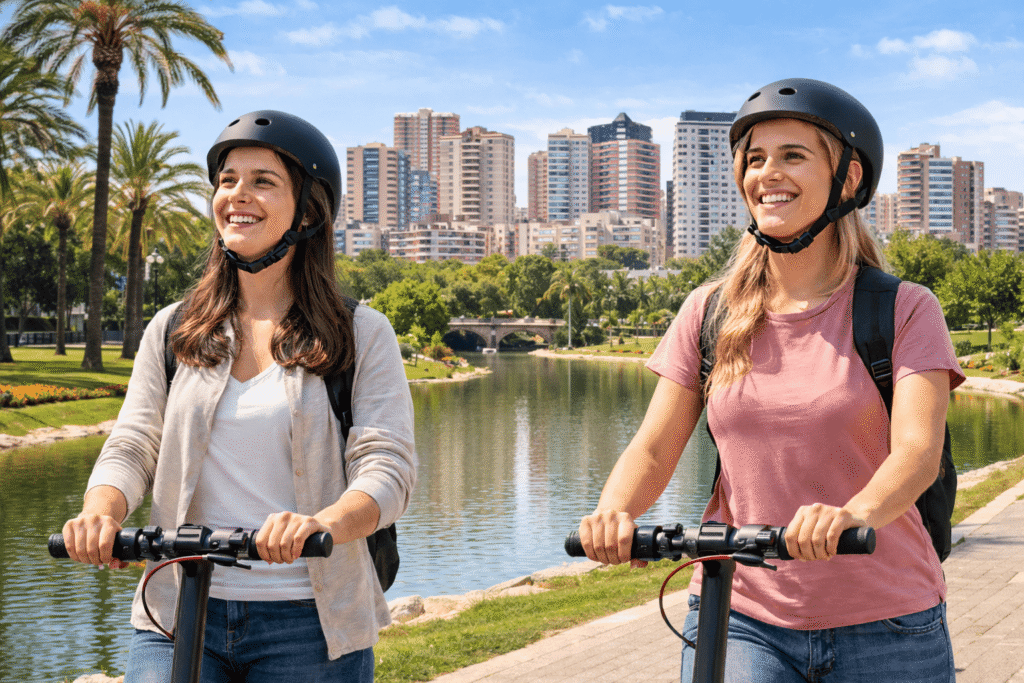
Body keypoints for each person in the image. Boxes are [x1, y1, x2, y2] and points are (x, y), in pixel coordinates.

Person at [578, 78, 963, 682]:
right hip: (742, 616)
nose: (767, 173)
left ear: (849, 180)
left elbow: (917, 453)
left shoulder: (904, 309)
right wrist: (612, 512)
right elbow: (653, 447)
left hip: (888, 622)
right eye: (754, 159)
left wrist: (849, 515)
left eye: (793, 156)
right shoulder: (709, 312)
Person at [60, 110, 417, 682]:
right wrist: (99, 513)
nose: (237, 195)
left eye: (262, 181)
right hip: (175, 610)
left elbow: (387, 467)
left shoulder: (360, 333)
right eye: (227, 180)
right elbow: (133, 444)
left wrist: (318, 525)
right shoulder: (175, 329)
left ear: (307, 210)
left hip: (310, 622)